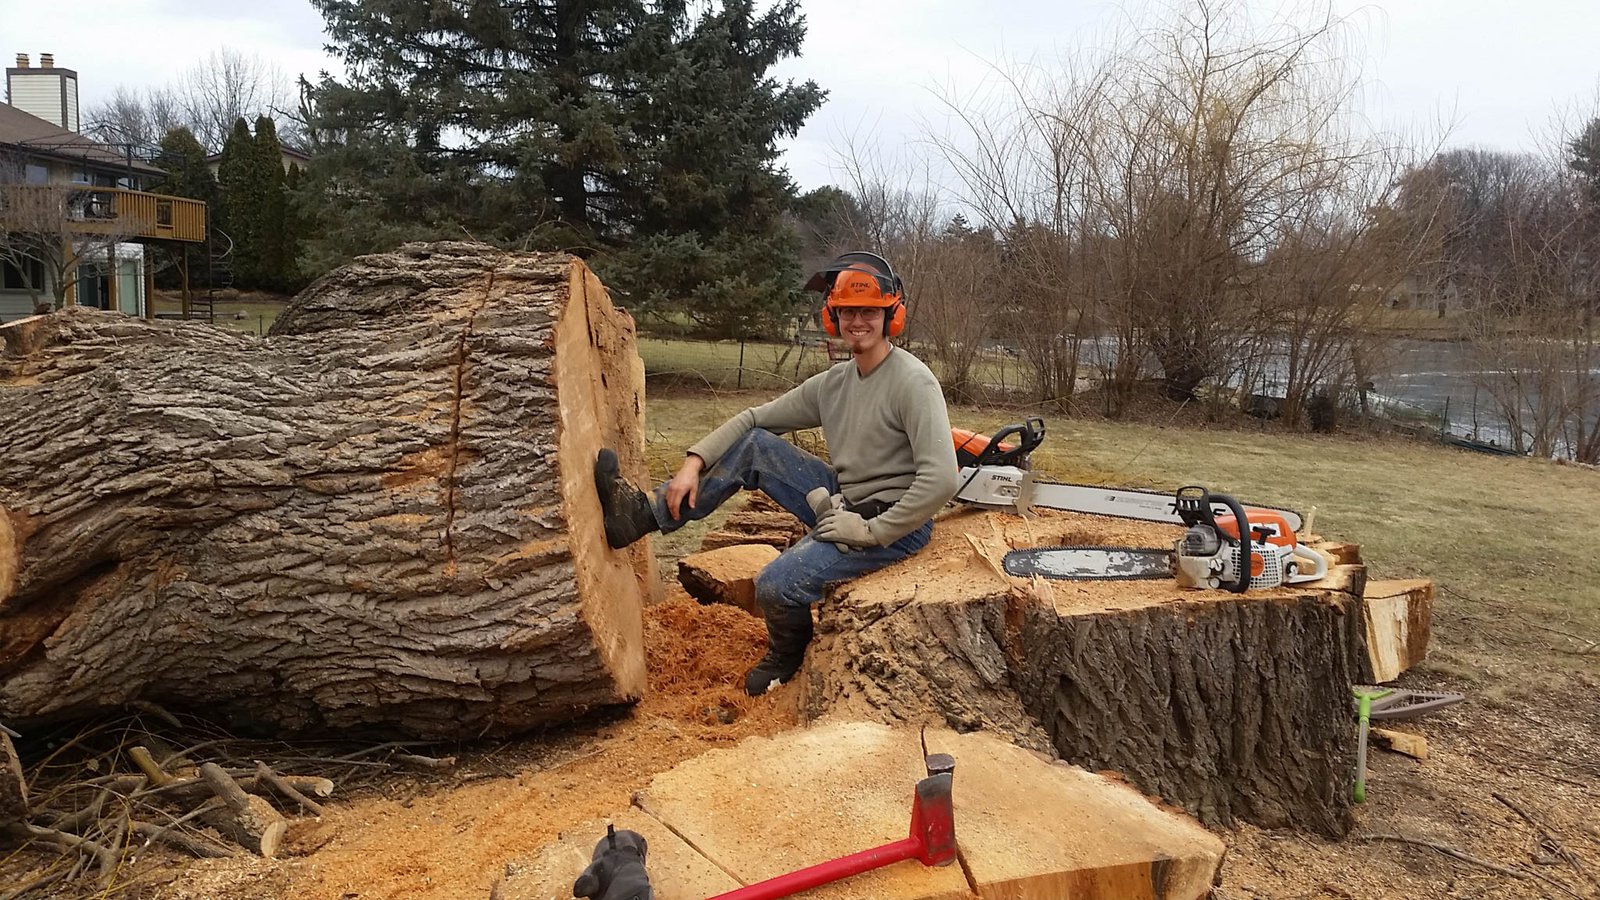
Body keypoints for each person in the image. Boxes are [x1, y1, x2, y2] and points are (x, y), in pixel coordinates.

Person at [594, 251, 959, 696]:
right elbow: (753, 420)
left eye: (868, 312)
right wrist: (694, 463)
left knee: (775, 585)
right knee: (755, 448)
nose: (857, 321)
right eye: (848, 311)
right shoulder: (835, 383)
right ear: (833, 317)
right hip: (844, 499)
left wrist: (870, 531)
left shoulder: (913, 382)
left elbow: (941, 479)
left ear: (890, 316)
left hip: (896, 524)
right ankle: (643, 514)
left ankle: (790, 652)